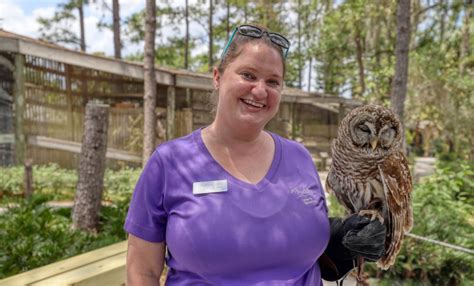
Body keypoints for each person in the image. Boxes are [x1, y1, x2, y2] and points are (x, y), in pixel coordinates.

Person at [124, 24, 385, 285]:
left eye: (273, 81)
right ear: (217, 77)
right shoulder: (170, 163)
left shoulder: (299, 158)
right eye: (248, 75)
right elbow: (142, 271)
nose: (260, 90)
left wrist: (339, 240)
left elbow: (292, 244)